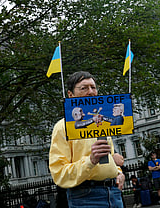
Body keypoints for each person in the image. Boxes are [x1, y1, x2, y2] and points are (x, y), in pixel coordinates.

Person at [49, 71, 125, 208]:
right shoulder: (62, 127)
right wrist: (90, 161)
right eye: (84, 88)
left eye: (93, 87)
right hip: (85, 197)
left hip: (114, 193)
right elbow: (59, 174)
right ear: (70, 94)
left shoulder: (102, 123)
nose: (91, 92)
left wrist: (119, 173)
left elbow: (110, 156)